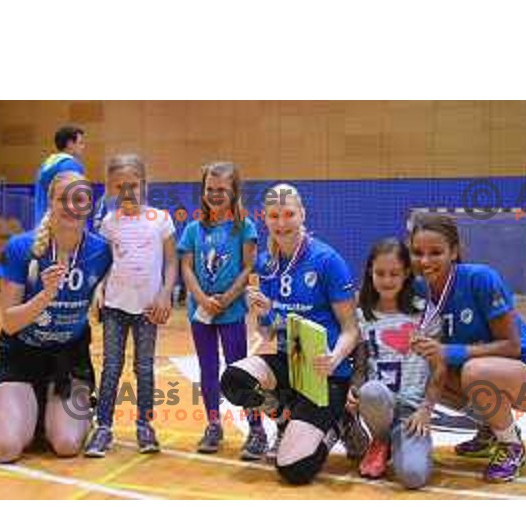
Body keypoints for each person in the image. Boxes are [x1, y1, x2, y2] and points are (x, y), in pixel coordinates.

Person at [220, 184, 361, 484]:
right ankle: (284, 417)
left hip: (324, 372)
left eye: (288, 214)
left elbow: (351, 329)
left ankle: (339, 424)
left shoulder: (327, 261)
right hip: (289, 360)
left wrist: (334, 359)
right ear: (265, 218)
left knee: (294, 470)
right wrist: (260, 313)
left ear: (302, 215)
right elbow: (267, 332)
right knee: (234, 380)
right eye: (274, 215)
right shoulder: (265, 264)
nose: (281, 223)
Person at [409, 212, 526, 482]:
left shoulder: (480, 278)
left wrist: (449, 352)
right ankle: (491, 427)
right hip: (493, 371)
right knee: (422, 368)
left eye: (435, 252)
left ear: (454, 251)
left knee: (473, 370)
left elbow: (512, 346)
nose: (425, 261)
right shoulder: (420, 291)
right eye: (418, 253)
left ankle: (511, 445)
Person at [0, 172, 112, 462]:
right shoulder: (20, 248)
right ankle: (31, 406)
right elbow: (9, 322)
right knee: (6, 449)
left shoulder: (102, 251)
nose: (71, 206)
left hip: (69, 357)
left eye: (78, 199)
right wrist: (45, 295)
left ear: (89, 206)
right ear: (50, 203)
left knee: (67, 445)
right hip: (21, 354)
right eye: (62, 198)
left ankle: (52, 410)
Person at [84, 154, 177, 457]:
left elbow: (172, 261)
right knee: (111, 366)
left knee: (144, 368)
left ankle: (144, 426)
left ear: (144, 184)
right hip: (114, 307)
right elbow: (103, 263)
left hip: (148, 309)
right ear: (112, 188)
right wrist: (97, 289)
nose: (127, 192)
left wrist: (165, 293)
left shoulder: (160, 219)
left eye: (133, 185)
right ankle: (103, 428)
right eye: (120, 186)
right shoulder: (109, 223)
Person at [178, 162, 262, 459]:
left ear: (234, 192)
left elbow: (248, 267)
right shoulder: (192, 229)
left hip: (231, 311)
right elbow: (186, 266)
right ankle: (214, 424)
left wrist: (227, 298)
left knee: (240, 369)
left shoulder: (245, 228)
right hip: (200, 312)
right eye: (209, 190)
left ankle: (256, 428)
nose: (214, 195)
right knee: (208, 369)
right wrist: (201, 298)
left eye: (221, 190)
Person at [345, 239, 444, 489]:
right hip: (379, 404)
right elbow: (359, 365)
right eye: (380, 273)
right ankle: (380, 441)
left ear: (407, 273)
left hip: (412, 411)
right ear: (370, 272)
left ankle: (403, 442)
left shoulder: (424, 313)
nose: (387, 280)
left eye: (394, 274)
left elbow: (439, 367)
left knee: (413, 476)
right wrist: (353, 389)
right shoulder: (361, 316)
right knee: (372, 390)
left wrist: (426, 409)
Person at [33, 126, 86, 225]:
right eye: (80, 143)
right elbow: (76, 200)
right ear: (70, 144)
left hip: (43, 224)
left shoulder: (46, 164)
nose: (83, 147)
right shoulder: (71, 165)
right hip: (63, 226)